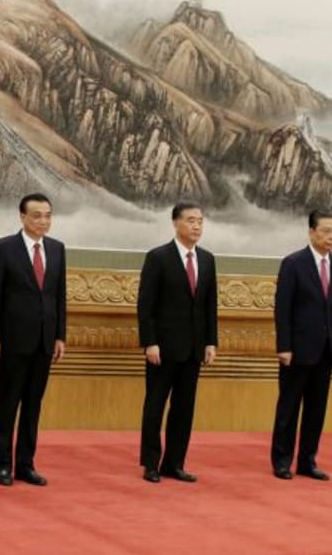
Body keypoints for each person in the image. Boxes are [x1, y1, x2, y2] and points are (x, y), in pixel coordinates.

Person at [0, 192, 66, 487]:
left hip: (44, 342)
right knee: (8, 404)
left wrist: (60, 336)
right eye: (36, 216)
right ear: (22, 217)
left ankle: (26, 464)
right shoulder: (4, 248)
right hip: (12, 340)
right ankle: (2, 464)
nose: (43, 221)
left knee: (33, 405)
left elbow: (59, 296)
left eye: (47, 216)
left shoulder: (57, 249)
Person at [138, 201, 217, 483]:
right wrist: (150, 342)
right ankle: (150, 463)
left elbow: (209, 305)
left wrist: (211, 342)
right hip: (163, 348)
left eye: (200, 221)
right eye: (191, 220)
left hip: (194, 349)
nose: (197, 226)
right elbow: (146, 305)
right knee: (155, 406)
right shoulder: (158, 257)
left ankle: (175, 463)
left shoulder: (207, 260)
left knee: (184, 408)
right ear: (175, 223)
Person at [271, 209, 332, 481]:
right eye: (326, 231)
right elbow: (282, 309)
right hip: (297, 350)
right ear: (311, 232)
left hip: (326, 349)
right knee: (289, 406)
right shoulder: (294, 263)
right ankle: (282, 460)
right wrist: (284, 346)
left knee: (317, 408)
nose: (330, 237)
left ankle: (307, 460)